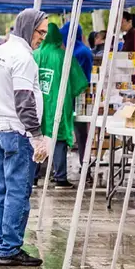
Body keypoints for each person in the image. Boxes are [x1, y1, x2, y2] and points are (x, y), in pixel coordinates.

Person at [0, 9, 49, 267]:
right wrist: (36, 135)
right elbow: (24, 101)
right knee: (18, 192)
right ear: (28, 27)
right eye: (40, 32)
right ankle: (10, 249)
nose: (42, 38)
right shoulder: (24, 58)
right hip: (17, 132)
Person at [34, 22, 87, 189]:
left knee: (37, 137)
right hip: (59, 103)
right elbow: (80, 83)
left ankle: (33, 177)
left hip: (37, 105)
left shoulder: (34, 55)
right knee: (59, 138)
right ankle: (60, 177)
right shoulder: (65, 57)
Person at [61, 21, 95, 167]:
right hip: (75, 97)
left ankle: (84, 163)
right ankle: (83, 164)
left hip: (76, 98)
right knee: (80, 134)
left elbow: (76, 77)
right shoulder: (80, 51)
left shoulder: (79, 52)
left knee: (78, 134)